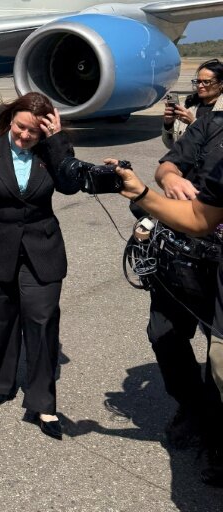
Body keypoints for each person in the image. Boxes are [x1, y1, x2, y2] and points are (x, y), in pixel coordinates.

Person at [0, 93, 80, 440]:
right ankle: (1, 382)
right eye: (20, 127)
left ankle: (43, 403)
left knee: (42, 322)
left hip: (42, 249)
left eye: (33, 132)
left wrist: (56, 141)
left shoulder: (51, 151)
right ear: (11, 119)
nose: (25, 136)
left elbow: (70, 186)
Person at [115, 152, 223, 487]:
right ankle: (195, 410)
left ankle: (215, 440)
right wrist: (160, 183)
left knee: (216, 355)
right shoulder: (208, 128)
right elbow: (195, 210)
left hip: (214, 266)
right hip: (183, 257)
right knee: (166, 336)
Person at [162, 59, 223, 148]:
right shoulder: (187, 106)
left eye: (206, 82)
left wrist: (193, 123)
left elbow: (216, 146)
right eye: (198, 81)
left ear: (221, 84)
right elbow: (170, 145)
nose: (200, 86)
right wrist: (168, 124)